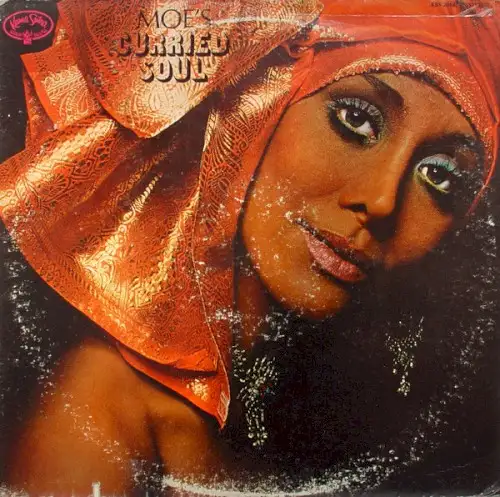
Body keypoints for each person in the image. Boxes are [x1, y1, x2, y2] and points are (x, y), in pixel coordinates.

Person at [0, 0, 498, 494]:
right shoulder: (102, 417)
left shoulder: (324, 416)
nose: (383, 201)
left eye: (440, 175)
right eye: (355, 119)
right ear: (254, 110)